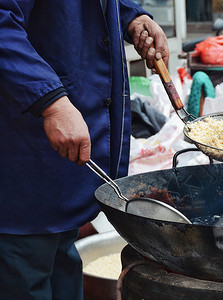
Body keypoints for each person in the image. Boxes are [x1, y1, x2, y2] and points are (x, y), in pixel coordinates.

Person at [0, 1, 169, 299]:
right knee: (25, 271)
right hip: (22, 171)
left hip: (65, 183)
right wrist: (50, 101)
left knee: (63, 267)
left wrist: (132, 15)